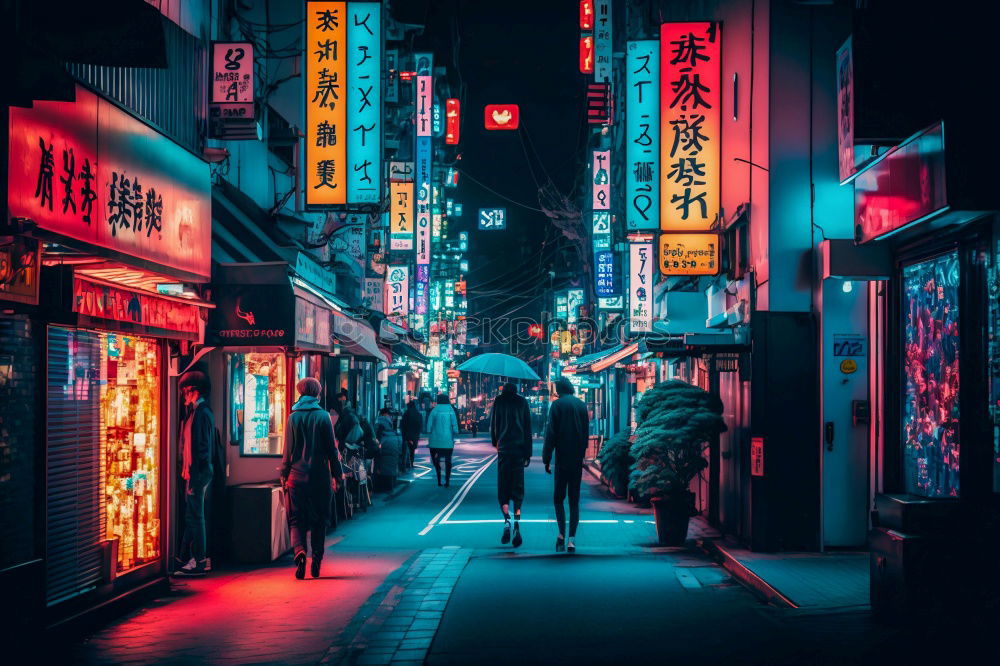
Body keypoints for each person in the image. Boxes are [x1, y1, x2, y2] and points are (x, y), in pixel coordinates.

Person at [281, 378, 344, 579]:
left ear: (301, 392)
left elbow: (287, 451)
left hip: (296, 477)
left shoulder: (293, 417)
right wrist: (337, 474)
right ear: (317, 393)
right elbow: (332, 451)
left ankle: (299, 550)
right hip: (319, 476)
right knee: (319, 519)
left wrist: (283, 474)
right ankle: (316, 560)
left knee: (296, 519)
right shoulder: (323, 416)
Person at [543, 378, 590, 553]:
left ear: (559, 389)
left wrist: (547, 458)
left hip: (561, 458)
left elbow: (551, 434)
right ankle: (572, 539)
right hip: (576, 458)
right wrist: (583, 453)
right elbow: (586, 432)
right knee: (574, 500)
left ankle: (561, 534)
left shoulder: (556, 406)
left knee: (558, 498)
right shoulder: (581, 405)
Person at [175, 371, 215, 576]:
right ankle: (183, 557)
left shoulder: (202, 413)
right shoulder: (195, 412)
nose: (183, 394)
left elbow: (203, 447)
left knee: (196, 516)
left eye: (186, 391)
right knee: (192, 515)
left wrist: (195, 474)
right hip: (194, 472)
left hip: (197, 473)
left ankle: (200, 560)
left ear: (195, 391)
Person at [490, 382, 533, 547]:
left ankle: (506, 521)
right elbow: (528, 428)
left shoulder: (499, 401)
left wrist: (497, 443)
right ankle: (517, 523)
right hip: (519, 450)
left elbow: (494, 425)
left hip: (504, 450)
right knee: (518, 489)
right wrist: (527, 453)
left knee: (504, 488)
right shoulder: (522, 402)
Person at [426, 393, 460, 487]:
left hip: (435, 441)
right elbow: (455, 424)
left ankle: (439, 480)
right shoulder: (450, 410)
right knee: (448, 461)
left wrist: (429, 431)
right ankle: (447, 481)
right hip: (448, 441)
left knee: (435, 460)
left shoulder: (434, 410)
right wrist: (455, 431)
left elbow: (429, 424)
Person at [374, 407, 402, 492]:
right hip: (392, 446)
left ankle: (384, 487)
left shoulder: (378, 422)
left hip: (384, 446)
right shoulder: (387, 422)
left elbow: (377, 436)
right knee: (391, 467)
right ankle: (390, 486)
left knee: (382, 467)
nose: (390, 416)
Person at [401, 400, 422, 469]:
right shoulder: (418, 414)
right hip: (415, 435)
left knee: (405, 450)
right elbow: (420, 425)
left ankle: (405, 464)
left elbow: (403, 424)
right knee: (412, 450)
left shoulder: (406, 413)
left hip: (407, 435)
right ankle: (411, 462)